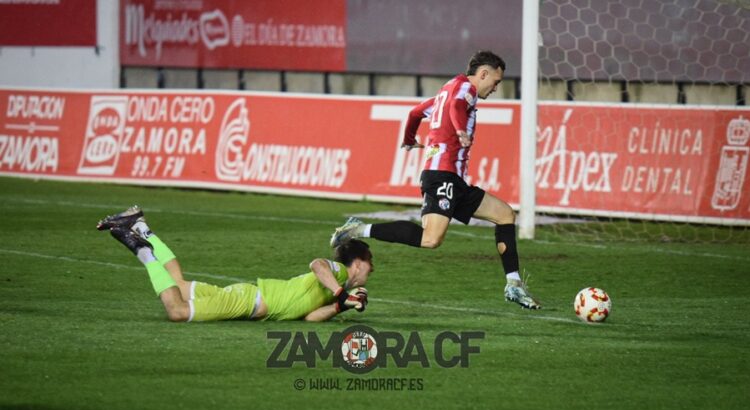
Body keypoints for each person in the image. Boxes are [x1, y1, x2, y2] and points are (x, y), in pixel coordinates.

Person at [330, 50, 540, 309]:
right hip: (444, 176)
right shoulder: (466, 89)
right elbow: (455, 108)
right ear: (483, 74)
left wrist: (408, 140)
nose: (495, 88)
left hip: (455, 179)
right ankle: (358, 230)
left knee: (505, 214)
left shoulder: (446, 90)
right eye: (495, 82)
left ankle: (514, 285)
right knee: (431, 239)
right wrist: (461, 130)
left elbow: (415, 113)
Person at [98, 206, 372, 322]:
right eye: (371, 265)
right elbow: (317, 265)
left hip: (248, 296)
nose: (371, 272)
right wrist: (341, 293)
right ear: (358, 263)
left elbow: (309, 318)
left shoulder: (337, 287)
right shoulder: (337, 272)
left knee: (178, 285)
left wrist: (340, 306)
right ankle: (140, 249)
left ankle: (140, 226)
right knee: (177, 311)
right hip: (247, 302)